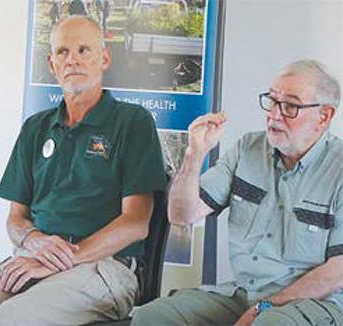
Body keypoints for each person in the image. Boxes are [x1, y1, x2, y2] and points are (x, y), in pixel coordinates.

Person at [0, 16, 166, 325]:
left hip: (103, 267)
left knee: (2, 323)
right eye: (62, 52)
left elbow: (136, 224)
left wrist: (65, 259)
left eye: (83, 50)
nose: (72, 59)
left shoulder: (132, 122)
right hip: (34, 258)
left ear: (104, 58)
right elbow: (15, 219)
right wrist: (32, 240)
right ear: (51, 63)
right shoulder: (36, 127)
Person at [132, 60, 343, 325]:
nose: (274, 115)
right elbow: (181, 215)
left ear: (324, 116)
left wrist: (266, 307)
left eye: (290, 106)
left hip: (313, 302)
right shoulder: (247, 149)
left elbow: (338, 271)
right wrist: (195, 153)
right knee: (152, 316)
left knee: (270, 324)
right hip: (245, 294)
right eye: (272, 100)